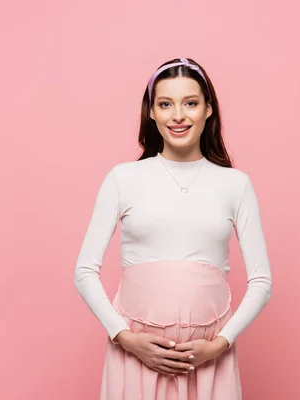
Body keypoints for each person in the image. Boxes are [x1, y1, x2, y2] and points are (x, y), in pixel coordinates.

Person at [74, 57, 272, 400]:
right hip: (135, 357)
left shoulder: (234, 184)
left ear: (208, 109)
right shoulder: (124, 179)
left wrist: (219, 345)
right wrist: (125, 337)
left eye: (190, 103)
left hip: (209, 362)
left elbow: (262, 281)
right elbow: (84, 271)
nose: (177, 115)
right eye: (165, 104)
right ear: (151, 112)